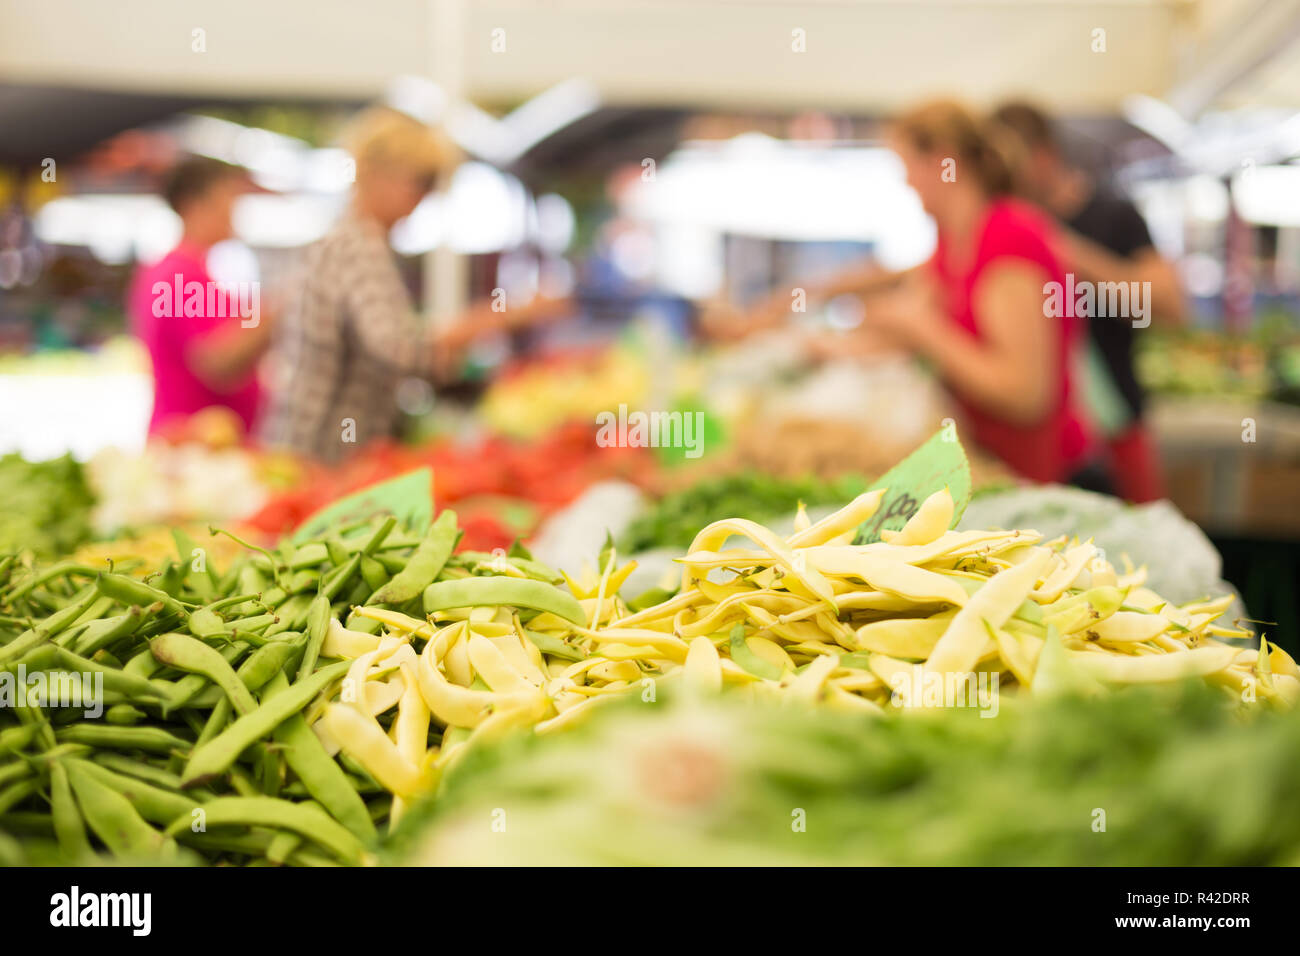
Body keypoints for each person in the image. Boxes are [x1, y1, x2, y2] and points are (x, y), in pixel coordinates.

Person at [725, 101, 1094, 485]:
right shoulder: (952, 245)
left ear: (942, 161)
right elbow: (902, 330)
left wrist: (921, 328)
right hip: (985, 466)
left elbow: (1026, 395)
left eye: (906, 167)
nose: (906, 183)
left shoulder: (1011, 237)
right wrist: (810, 341)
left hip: (1038, 476)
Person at [261, 107, 569, 462]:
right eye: (421, 181)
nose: (425, 197)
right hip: (323, 453)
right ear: (379, 174)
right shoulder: (358, 247)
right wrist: (503, 316)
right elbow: (399, 348)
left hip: (316, 446)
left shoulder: (347, 241)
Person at [992, 100, 1185, 502]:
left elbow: (1165, 307)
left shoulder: (1114, 213)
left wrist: (1062, 249)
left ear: (1044, 156)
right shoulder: (1004, 227)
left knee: (1139, 546)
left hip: (1115, 428)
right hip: (1043, 440)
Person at [128, 157, 272, 437]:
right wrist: (278, 314)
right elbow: (218, 362)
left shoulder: (191, 271)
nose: (235, 210)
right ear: (197, 204)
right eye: (228, 197)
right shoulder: (179, 274)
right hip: (191, 452)